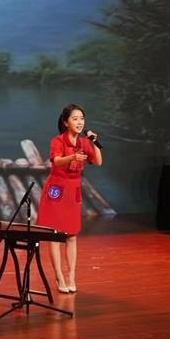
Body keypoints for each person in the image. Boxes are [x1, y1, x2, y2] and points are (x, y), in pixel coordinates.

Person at [36, 104, 102, 293]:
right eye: (75, 118)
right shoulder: (57, 141)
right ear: (66, 122)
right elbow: (56, 161)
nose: (79, 122)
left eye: (81, 118)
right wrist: (72, 157)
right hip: (57, 190)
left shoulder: (85, 143)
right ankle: (59, 277)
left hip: (73, 191)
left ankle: (71, 276)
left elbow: (98, 161)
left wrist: (95, 144)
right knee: (55, 236)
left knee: (72, 236)